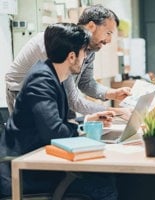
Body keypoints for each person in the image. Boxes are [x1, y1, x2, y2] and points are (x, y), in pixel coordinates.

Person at [0, 23, 118, 199]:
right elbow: (55, 132)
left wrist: (86, 121)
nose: (86, 58)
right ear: (72, 56)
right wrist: (81, 128)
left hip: (39, 160)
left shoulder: (52, 75)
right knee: (104, 188)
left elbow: (55, 124)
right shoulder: (41, 81)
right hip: (25, 172)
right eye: (84, 52)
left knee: (107, 177)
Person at [5, 4, 131, 118]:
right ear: (92, 26)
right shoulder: (63, 44)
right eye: (108, 33)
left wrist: (112, 93)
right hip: (24, 93)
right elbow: (73, 101)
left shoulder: (88, 48)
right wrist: (114, 112)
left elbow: (85, 82)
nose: (109, 40)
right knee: (40, 138)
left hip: (54, 94)